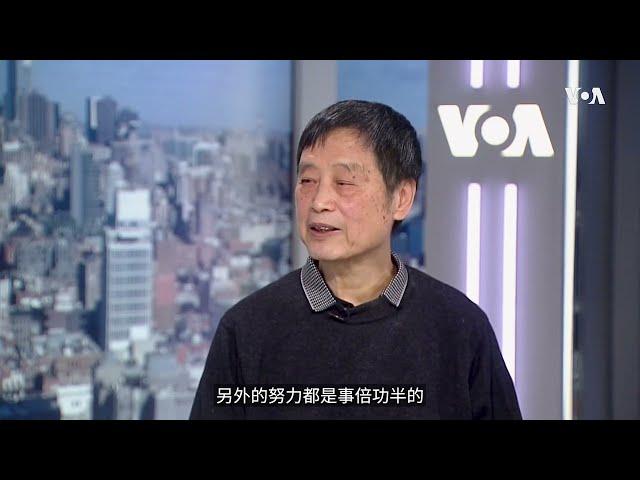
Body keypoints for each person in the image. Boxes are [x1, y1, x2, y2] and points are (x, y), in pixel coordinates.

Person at [190, 100, 522, 420]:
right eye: (307, 181)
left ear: (401, 198)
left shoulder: (459, 327)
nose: (319, 201)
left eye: (344, 183)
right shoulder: (246, 330)